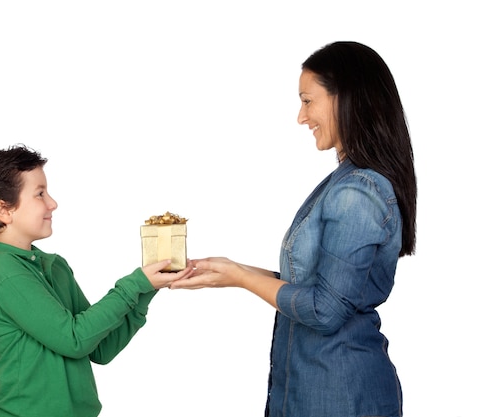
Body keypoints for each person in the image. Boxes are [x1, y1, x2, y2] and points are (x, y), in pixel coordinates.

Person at [171, 41, 417, 417]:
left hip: (341, 396)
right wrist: (229, 271)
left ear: (345, 99)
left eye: (307, 100)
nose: (301, 117)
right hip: (308, 389)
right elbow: (317, 284)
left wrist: (240, 278)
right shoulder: (344, 181)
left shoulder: (357, 192)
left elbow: (325, 310)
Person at [0, 144, 192, 417]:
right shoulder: (1, 271)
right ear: (4, 210)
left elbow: (101, 347)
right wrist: (135, 284)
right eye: (39, 194)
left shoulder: (54, 266)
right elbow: (74, 339)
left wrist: (148, 287)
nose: (52, 203)